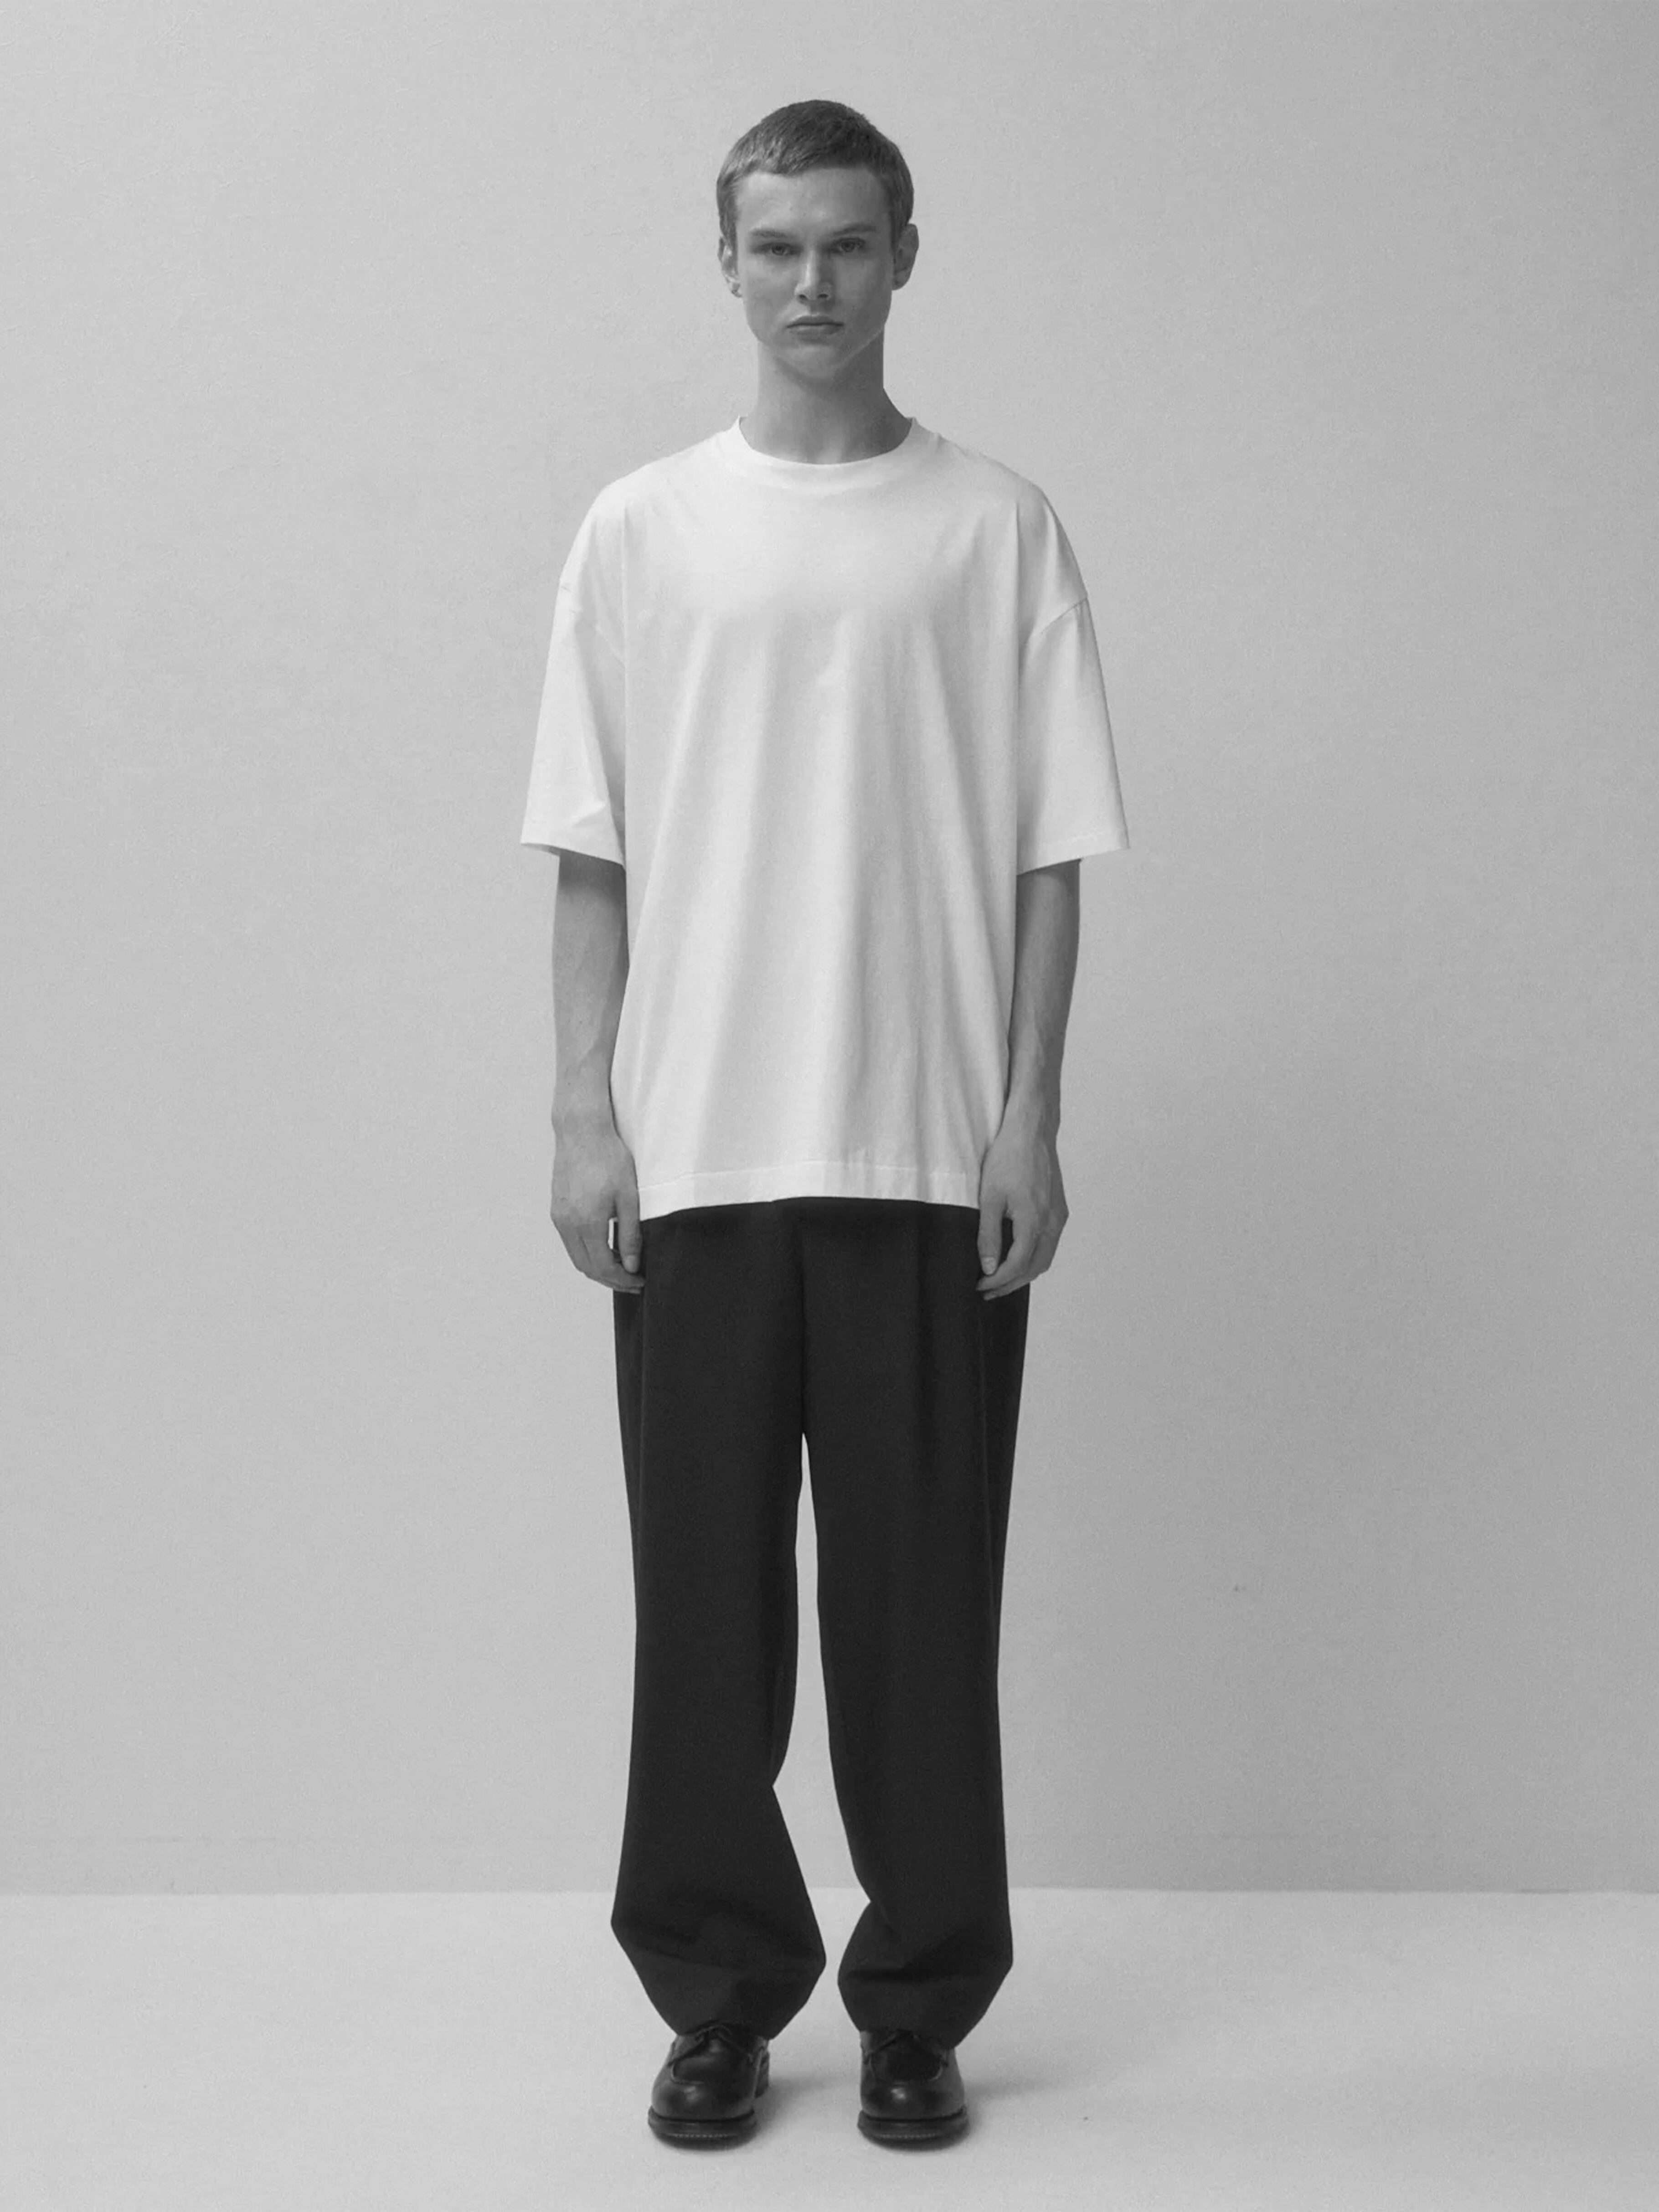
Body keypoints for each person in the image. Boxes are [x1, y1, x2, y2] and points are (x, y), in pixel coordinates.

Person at [520, 98, 1129, 2150]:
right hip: (698, 1147)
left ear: (903, 257)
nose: (811, 281)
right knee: (703, 1609)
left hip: (926, 1152)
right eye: (775, 245)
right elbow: (590, 850)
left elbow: (1049, 855)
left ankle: (919, 2002)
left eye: (847, 243)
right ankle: (717, 1997)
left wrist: (1029, 1116)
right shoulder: (638, 532)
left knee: (918, 1609)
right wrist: (582, 1112)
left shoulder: (997, 528)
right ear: (727, 261)